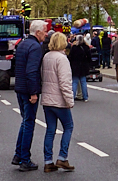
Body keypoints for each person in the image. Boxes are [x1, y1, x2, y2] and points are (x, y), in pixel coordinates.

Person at [12, 19, 49, 172]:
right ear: (38, 32)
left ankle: (18, 154)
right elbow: (32, 71)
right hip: (28, 90)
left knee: (24, 121)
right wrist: (34, 92)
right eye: (45, 31)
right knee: (29, 123)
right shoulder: (35, 47)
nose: (46, 34)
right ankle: (25, 159)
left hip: (20, 88)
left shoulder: (22, 44)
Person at [40, 32, 76, 172]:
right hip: (59, 100)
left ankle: (48, 161)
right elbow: (64, 82)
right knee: (68, 126)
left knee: (50, 130)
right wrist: (69, 100)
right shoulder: (62, 59)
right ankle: (62, 157)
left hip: (47, 100)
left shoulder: (46, 57)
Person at [67, 36, 90, 102]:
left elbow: (70, 57)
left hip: (75, 66)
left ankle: (72, 97)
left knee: (74, 82)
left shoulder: (74, 48)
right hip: (83, 66)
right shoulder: (86, 47)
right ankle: (85, 97)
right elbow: (89, 57)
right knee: (83, 82)